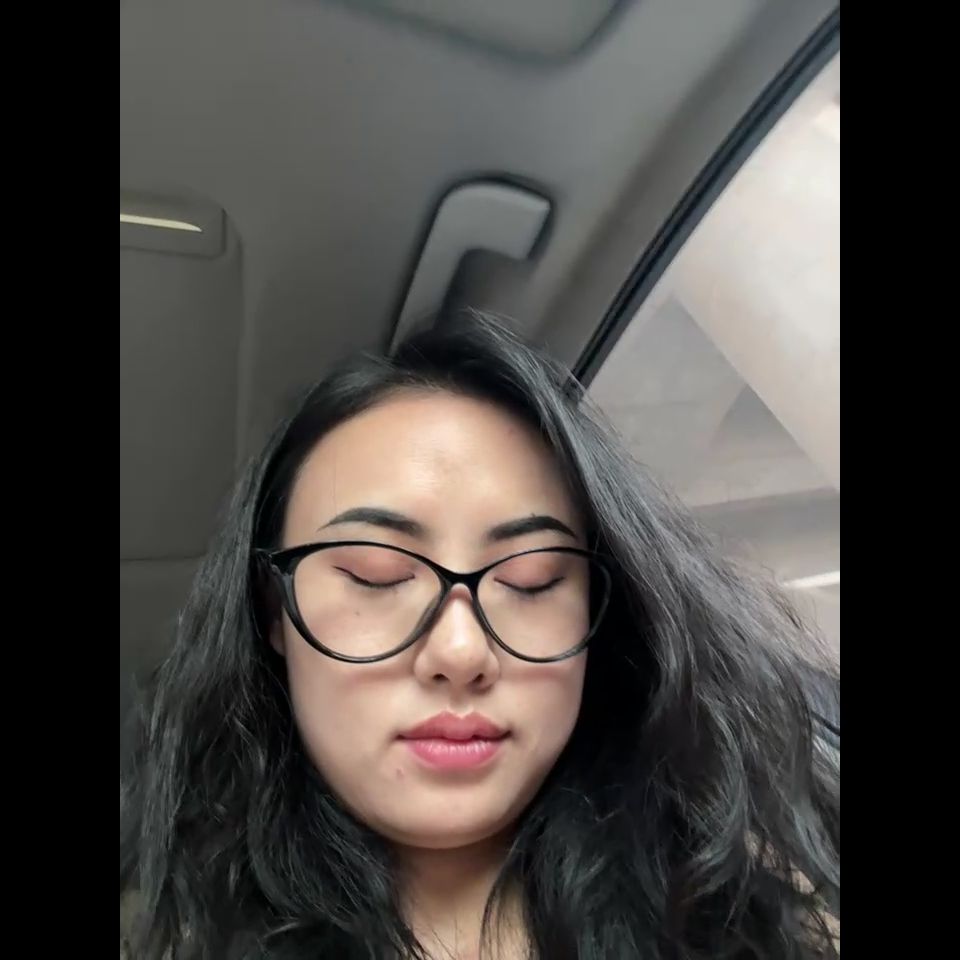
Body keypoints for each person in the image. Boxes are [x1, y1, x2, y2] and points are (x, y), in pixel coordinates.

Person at [120, 315, 840, 959]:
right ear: (273, 613)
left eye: (532, 580)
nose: (462, 652)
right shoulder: (160, 931)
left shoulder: (755, 904)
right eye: (374, 575)